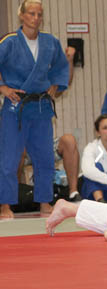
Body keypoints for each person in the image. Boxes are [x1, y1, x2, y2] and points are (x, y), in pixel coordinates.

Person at [0, 0, 69, 219]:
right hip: (16, 106)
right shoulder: (9, 42)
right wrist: (2, 87)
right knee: (10, 159)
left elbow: (61, 66)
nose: (36, 18)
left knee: (45, 158)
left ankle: (45, 202)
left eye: (39, 14)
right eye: (31, 13)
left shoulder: (50, 42)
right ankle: (5, 206)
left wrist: (55, 84)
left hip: (40, 107)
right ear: (22, 15)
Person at [17, 46, 81, 202]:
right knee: (17, 147)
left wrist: (69, 61)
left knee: (69, 140)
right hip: (18, 145)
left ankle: (73, 192)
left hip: (42, 144)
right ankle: (16, 195)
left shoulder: (42, 83)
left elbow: (63, 82)